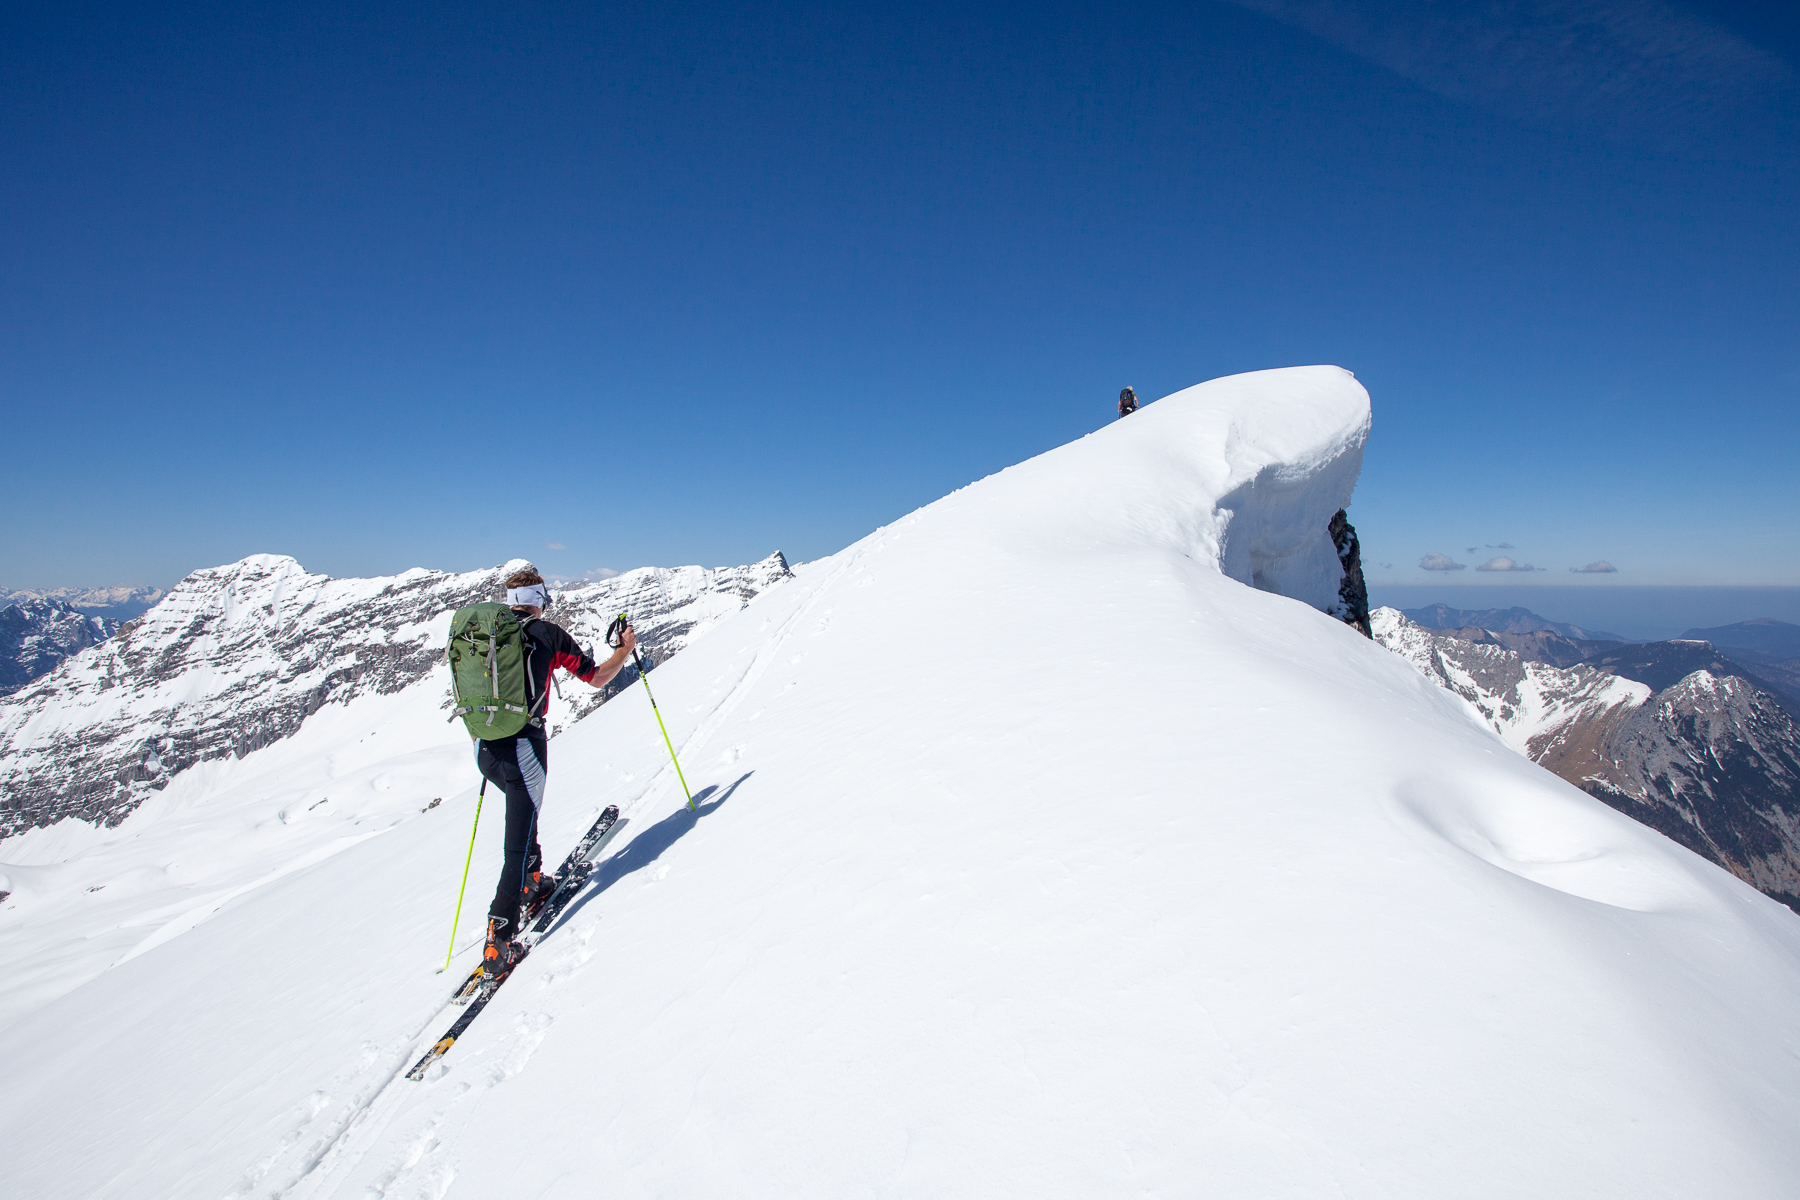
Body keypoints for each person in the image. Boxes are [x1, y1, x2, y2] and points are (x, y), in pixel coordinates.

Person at [477, 567, 637, 977]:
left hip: (484, 750)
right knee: (515, 840)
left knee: (522, 817)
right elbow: (595, 677)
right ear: (540, 597)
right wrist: (623, 650)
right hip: (524, 748)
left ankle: (532, 879)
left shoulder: (486, 633)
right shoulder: (547, 634)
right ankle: (499, 941)